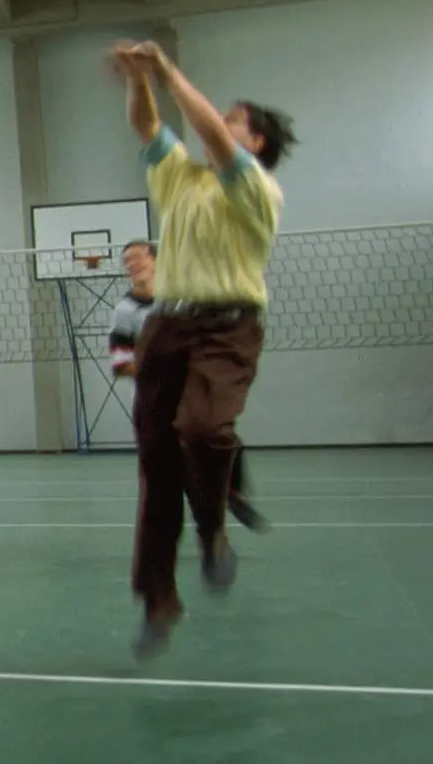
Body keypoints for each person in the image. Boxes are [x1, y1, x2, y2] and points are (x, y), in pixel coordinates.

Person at [108, 39, 293, 660]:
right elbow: (147, 123)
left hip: (227, 328)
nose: (220, 120)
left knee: (207, 430)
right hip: (168, 327)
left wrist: (166, 69)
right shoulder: (181, 177)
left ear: (256, 143)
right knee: (157, 470)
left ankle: (214, 531)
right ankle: (156, 601)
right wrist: (139, 78)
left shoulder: (256, 189)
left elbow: (209, 130)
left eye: (236, 119)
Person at [109, 241, 265, 534]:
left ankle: (233, 494)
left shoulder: (181, 300)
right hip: (154, 397)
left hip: (190, 389)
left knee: (221, 436)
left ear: (156, 261)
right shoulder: (125, 310)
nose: (133, 264)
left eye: (139, 258)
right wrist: (155, 370)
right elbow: (120, 363)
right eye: (127, 261)